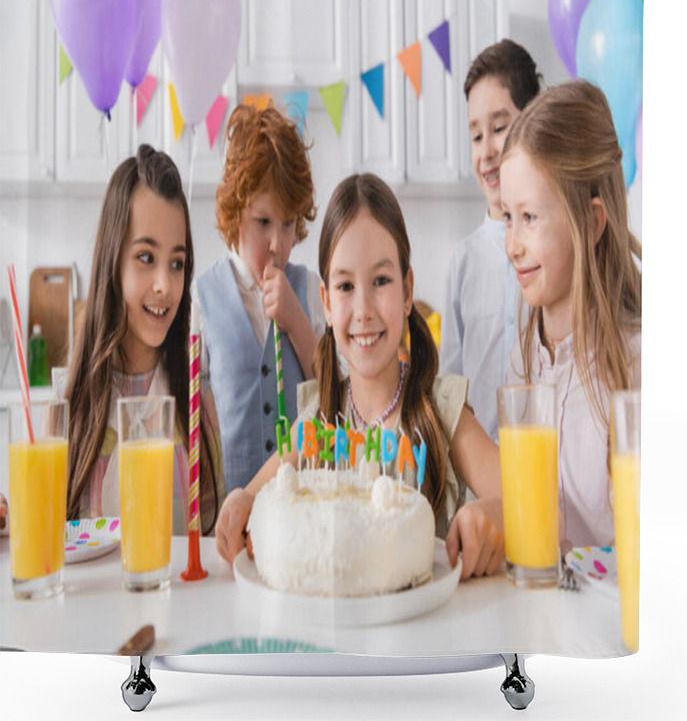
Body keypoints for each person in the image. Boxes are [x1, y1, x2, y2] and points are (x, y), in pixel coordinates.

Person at [216, 173, 505, 581]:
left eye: (382, 281)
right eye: (346, 285)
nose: (364, 309)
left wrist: (495, 514)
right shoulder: (318, 418)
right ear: (327, 304)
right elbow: (252, 497)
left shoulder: (440, 409)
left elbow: (531, 503)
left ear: (408, 291)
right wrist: (239, 503)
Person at [500, 80, 642, 548]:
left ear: (592, 221)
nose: (512, 245)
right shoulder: (523, 362)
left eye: (530, 218)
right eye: (507, 217)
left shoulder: (637, 364)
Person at [65, 144, 224, 534]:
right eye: (146, 257)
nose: (164, 286)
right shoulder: (77, 405)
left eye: (177, 263)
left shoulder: (196, 399)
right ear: (112, 259)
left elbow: (208, 542)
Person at [194, 105, 325, 492]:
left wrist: (297, 322)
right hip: (228, 512)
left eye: (288, 224)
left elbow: (337, 392)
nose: (277, 243)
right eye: (263, 222)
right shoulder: (202, 299)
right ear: (235, 214)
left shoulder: (311, 291)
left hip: (302, 503)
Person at [440, 39, 543, 443]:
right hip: (477, 484)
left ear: (533, 120)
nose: (487, 151)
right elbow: (450, 389)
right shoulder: (462, 262)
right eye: (476, 135)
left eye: (499, 128)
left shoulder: (551, 249)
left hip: (541, 466)